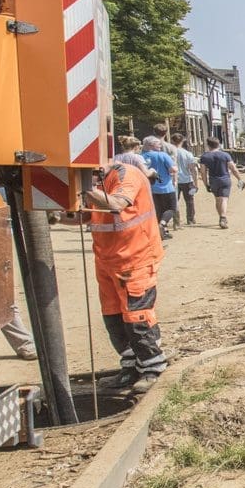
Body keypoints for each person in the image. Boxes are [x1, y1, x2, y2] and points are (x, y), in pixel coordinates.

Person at [73, 149, 166, 391]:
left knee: (136, 317)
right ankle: (130, 366)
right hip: (108, 260)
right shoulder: (98, 182)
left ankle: (153, 366)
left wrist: (84, 189)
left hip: (135, 258)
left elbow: (115, 204)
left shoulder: (128, 175)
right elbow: (90, 215)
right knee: (113, 317)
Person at [200, 137, 244, 228]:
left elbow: (203, 172)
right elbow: (233, 169)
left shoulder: (204, 156)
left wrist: (205, 184)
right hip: (225, 179)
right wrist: (239, 179)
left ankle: (221, 216)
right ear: (218, 144)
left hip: (213, 180)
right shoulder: (225, 155)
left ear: (208, 145)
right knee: (224, 199)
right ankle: (223, 217)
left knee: (217, 199)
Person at [141, 136, 180, 238]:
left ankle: (163, 232)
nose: (160, 145)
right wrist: (173, 169)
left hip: (151, 188)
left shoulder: (142, 156)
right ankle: (162, 224)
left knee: (158, 210)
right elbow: (173, 169)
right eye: (158, 144)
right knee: (171, 209)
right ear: (151, 145)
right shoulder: (162, 155)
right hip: (166, 187)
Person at [170, 134, 201, 226]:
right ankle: (190, 219)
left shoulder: (169, 153)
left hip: (173, 180)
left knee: (175, 201)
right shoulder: (187, 154)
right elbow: (193, 169)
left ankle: (176, 220)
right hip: (187, 180)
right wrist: (196, 183)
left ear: (172, 141)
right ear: (182, 141)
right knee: (189, 201)